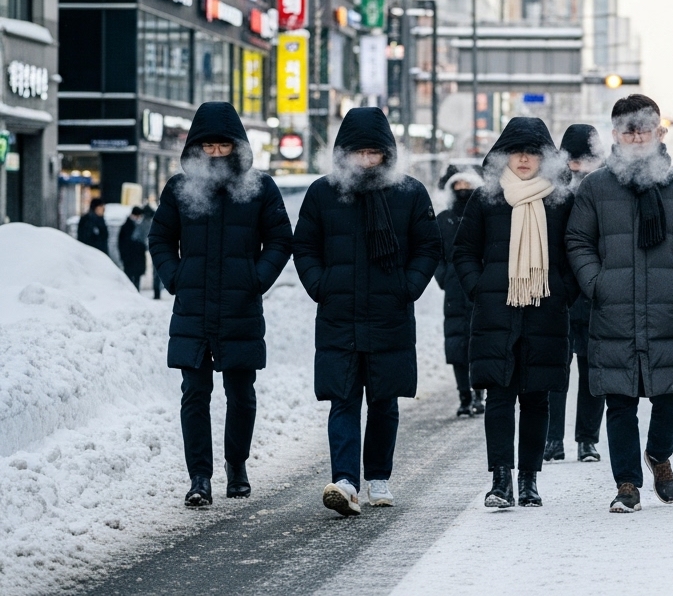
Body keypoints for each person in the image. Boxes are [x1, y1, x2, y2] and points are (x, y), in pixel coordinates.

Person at [292, 107, 441, 517]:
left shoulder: (409, 193)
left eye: (374, 153)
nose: (365, 161)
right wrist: (320, 285)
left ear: (387, 154)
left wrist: (407, 287)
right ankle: (344, 480)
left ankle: (378, 476)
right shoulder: (323, 192)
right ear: (342, 153)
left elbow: (429, 246)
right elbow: (303, 245)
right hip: (339, 313)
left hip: (389, 312)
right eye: (357, 153)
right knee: (342, 398)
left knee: (383, 399)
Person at [565, 95, 673, 513]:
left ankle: (659, 456)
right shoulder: (596, 186)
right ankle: (627, 483)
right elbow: (578, 240)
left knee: (669, 397)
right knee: (620, 401)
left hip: (667, 305)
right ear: (615, 135)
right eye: (627, 129)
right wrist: (597, 283)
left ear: (658, 132)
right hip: (614, 309)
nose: (635, 136)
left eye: (643, 128)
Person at [147, 102, 293, 507]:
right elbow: (159, 239)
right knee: (194, 393)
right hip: (193, 308)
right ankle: (199, 477)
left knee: (241, 392)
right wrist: (174, 276)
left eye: (222, 147)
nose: (214, 154)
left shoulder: (259, 188)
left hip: (240, 306)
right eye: (207, 146)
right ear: (195, 147)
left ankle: (237, 465)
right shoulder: (178, 189)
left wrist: (256, 278)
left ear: (237, 147)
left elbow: (281, 239)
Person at [454, 117, 577, 507]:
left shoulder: (560, 199)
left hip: (545, 311)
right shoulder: (487, 197)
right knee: (500, 397)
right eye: (516, 151)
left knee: (537, 398)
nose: (524, 159)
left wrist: (561, 292)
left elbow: (575, 253)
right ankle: (500, 480)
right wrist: (482, 289)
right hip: (498, 310)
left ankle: (529, 480)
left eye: (533, 152)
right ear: (503, 155)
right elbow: (463, 251)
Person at [546, 124, 607, 463]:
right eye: (574, 160)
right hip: (559, 294)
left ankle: (587, 439)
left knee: (592, 373)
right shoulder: (551, 190)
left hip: (596, 293)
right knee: (557, 372)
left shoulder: (605, 190)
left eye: (587, 159)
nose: (580, 167)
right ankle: (553, 439)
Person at [434, 164, 485, 418]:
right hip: (454, 291)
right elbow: (435, 254)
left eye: (468, 186)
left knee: (480, 344)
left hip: (480, 288)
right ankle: (464, 397)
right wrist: (444, 277)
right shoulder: (443, 220)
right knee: (456, 346)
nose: (463, 190)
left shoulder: (484, 215)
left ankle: (479, 394)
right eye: (458, 186)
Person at [118, 206, 149, 290]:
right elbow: (123, 243)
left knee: (135, 280)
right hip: (130, 258)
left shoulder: (135, 225)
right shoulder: (128, 226)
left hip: (135, 258)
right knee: (130, 281)